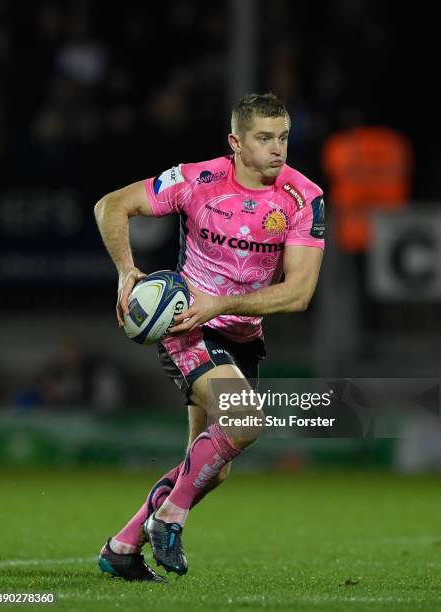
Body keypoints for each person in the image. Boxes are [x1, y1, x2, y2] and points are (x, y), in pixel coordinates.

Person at [94, 93, 325, 581]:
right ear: (235, 143)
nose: (277, 149)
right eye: (264, 139)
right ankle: (169, 518)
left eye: (283, 137)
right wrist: (125, 272)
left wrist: (223, 303)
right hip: (188, 325)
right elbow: (111, 205)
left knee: (211, 468)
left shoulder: (304, 196)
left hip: (240, 330)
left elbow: (299, 294)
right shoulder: (195, 180)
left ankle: (122, 547)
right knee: (244, 421)